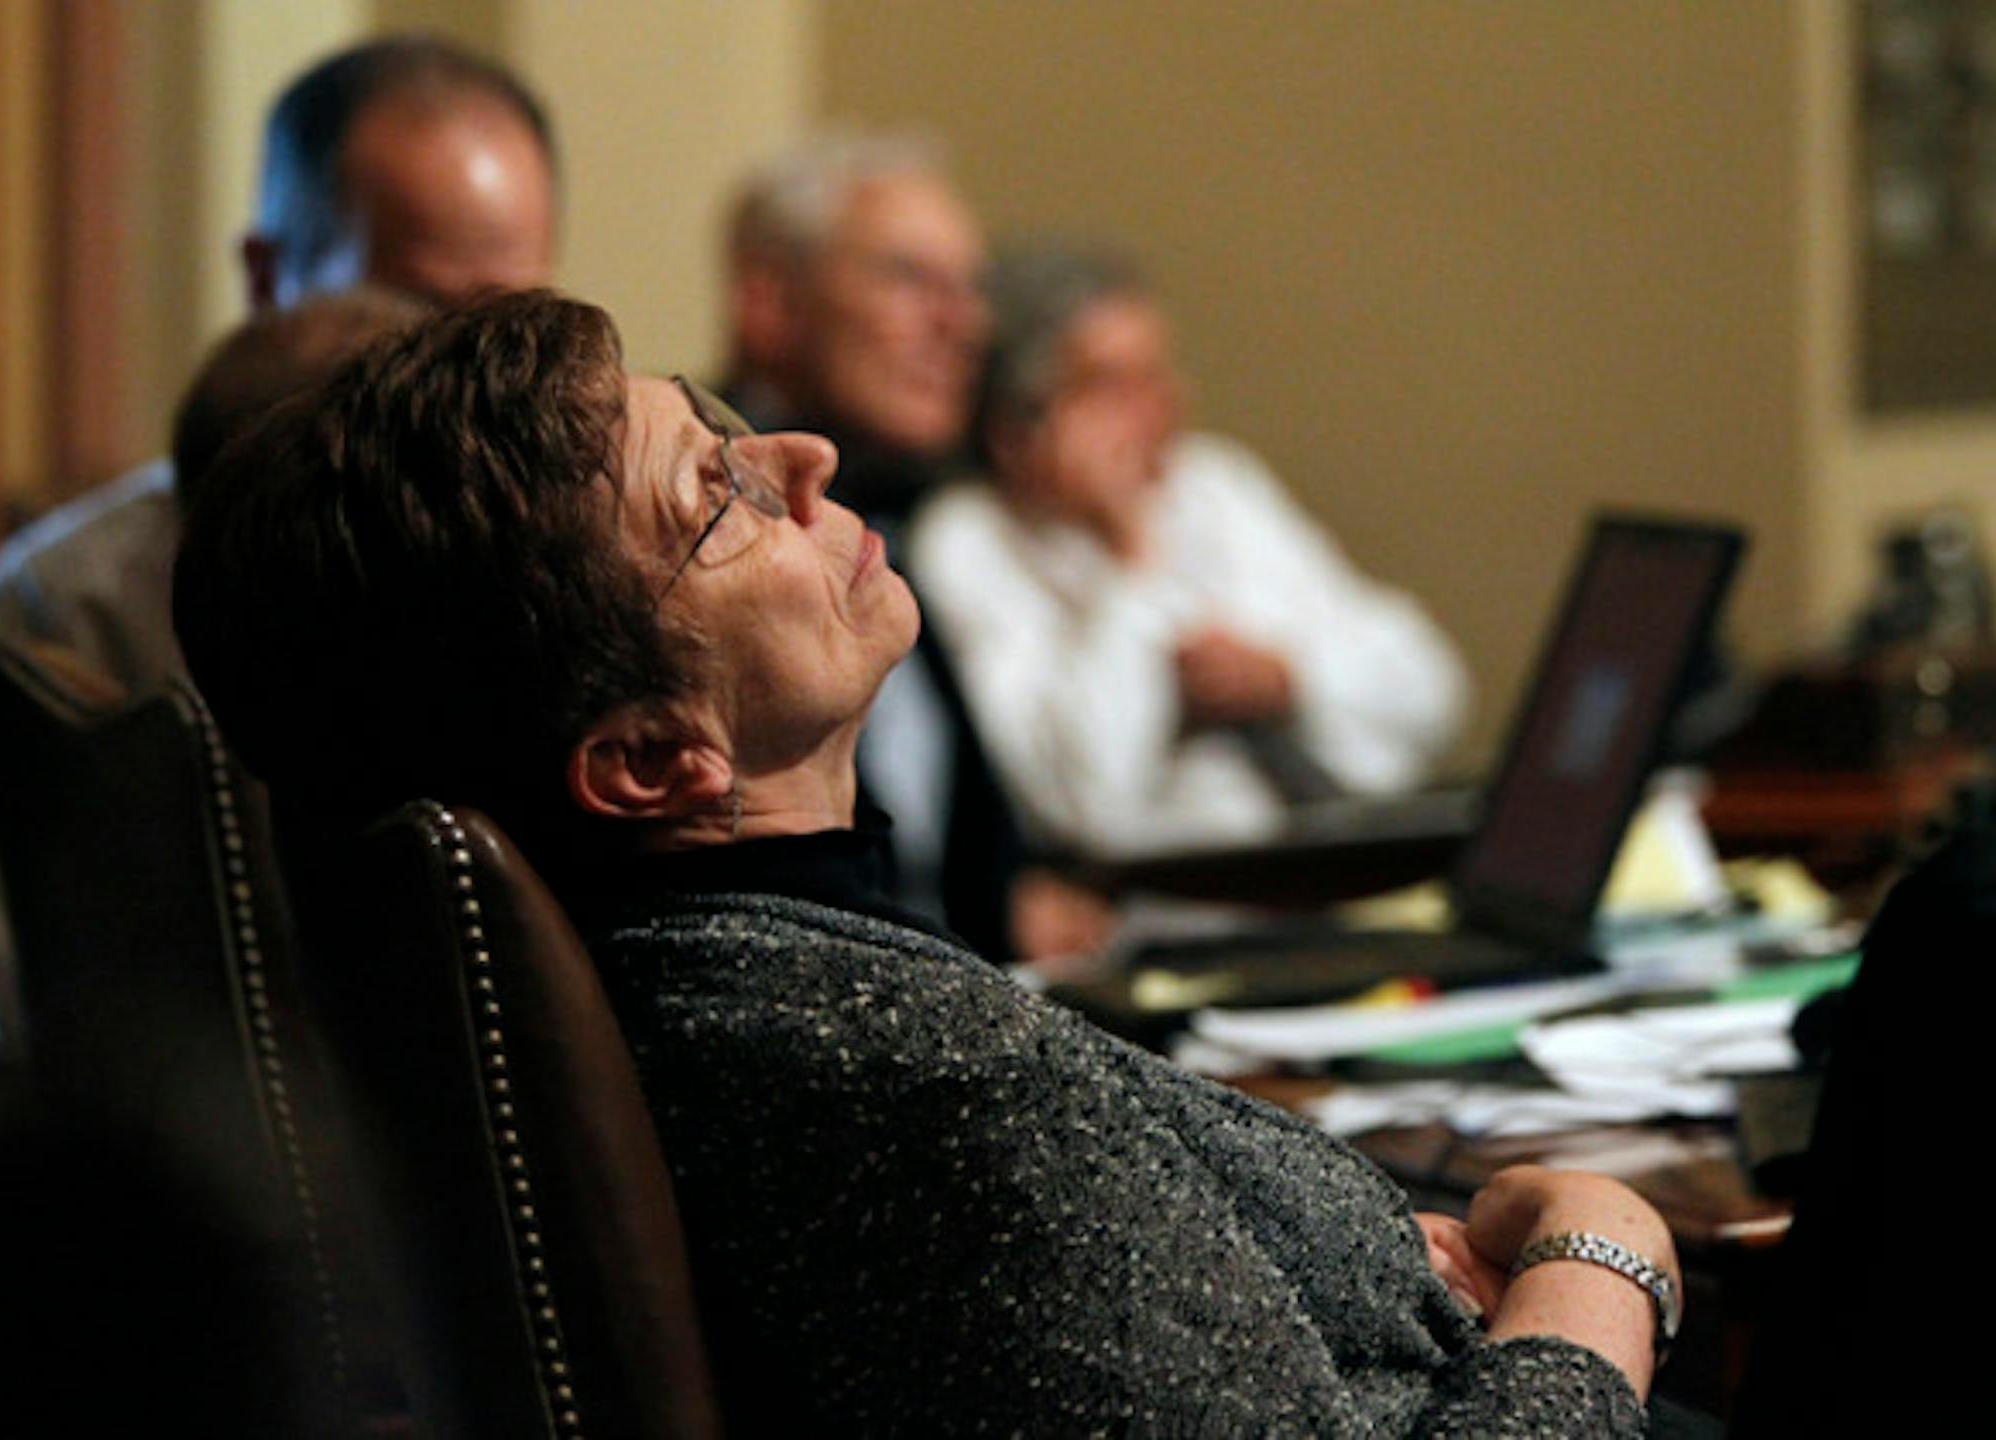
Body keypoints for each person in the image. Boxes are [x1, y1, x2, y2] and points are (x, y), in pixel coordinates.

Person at [175, 289, 1678, 1434]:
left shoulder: (718, 994)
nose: (806, 457)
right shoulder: (908, 1078)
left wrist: (1304, 1255)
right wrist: (1598, 1266)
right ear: (649, 758)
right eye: (718, 494)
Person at [0, 36, 555, 1067]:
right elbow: (16, 1040)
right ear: (270, 277)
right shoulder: (67, 609)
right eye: (420, 319)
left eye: (510, 324)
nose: (467, 382)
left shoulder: (570, 579)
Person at [911, 245, 1470, 857]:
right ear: (1016, 428)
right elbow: (1083, 802)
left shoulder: (1214, 486)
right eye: (1114, 386)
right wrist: (1127, 554)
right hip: (1165, 904)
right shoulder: (965, 543)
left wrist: (1285, 680)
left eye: (1161, 373)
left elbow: (1431, 689)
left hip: (1335, 855)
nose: (1163, 406)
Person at [720, 133, 1110, 962]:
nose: (963, 326)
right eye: (909, 279)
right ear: (771, 305)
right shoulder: (697, 526)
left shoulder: (899, 506)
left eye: (970, 291)